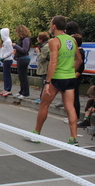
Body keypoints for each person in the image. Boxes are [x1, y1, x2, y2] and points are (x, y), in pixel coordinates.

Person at [31, 15, 83, 146]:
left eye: (50, 23)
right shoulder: (73, 40)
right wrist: (71, 70)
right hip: (70, 78)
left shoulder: (54, 41)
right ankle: (73, 138)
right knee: (70, 107)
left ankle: (36, 133)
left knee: (44, 105)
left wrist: (48, 82)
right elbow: (79, 60)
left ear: (54, 26)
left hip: (57, 78)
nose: (50, 26)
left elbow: (53, 63)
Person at [13, 25, 31, 99]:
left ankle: (25, 93)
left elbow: (24, 50)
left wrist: (16, 46)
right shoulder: (22, 39)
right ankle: (21, 91)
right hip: (20, 59)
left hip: (24, 59)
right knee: (21, 76)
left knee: (23, 76)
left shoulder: (26, 39)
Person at [34, 32, 50, 103]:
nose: (37, 39)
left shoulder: (46, 46)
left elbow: (42, 58)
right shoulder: (43, 45)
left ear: (41, 39)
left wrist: (38, 52)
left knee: (45, 83)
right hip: (45, 67)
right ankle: (42, 98)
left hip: (46, 68)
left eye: (38, 37)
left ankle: (43, 99)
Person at [0, 28, 14, 97]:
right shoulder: (5, 41)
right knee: (5, 75)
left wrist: (4, 56)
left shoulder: (8, 41)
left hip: (8, 60)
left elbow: (11, 51)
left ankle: (8, 89)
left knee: (7, 75)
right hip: (5, 60)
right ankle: (6, 88)